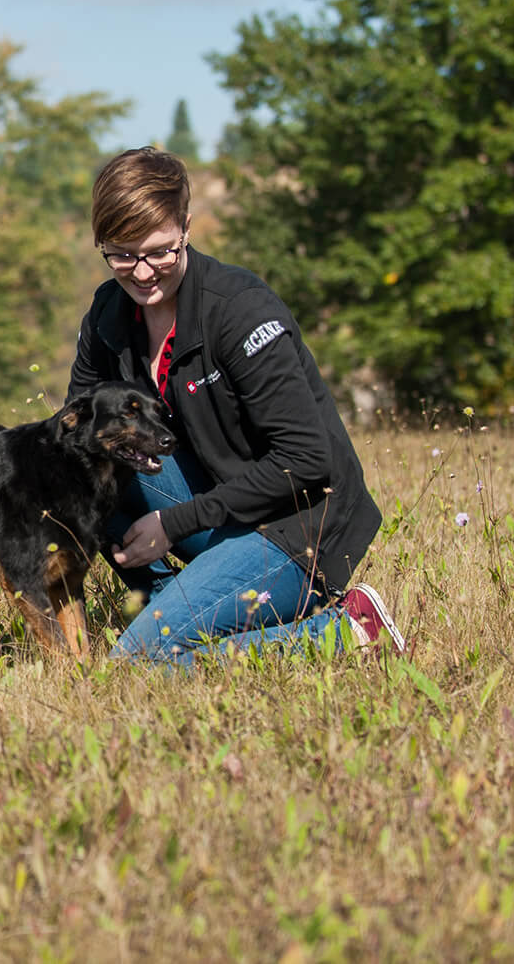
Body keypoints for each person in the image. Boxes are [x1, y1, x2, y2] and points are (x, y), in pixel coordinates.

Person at [67, 147, 405, 663]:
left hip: (296, 527)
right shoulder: (109, 313)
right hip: (218, 505)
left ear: (186, 226)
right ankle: (170, 606)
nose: (141, 273)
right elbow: (73, 435)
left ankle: (344, 630)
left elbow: (306, 460)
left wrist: (173, 525)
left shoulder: (240, 311)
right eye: (121, 255)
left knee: (137, 662)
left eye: (160, 251)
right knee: (90, 456)